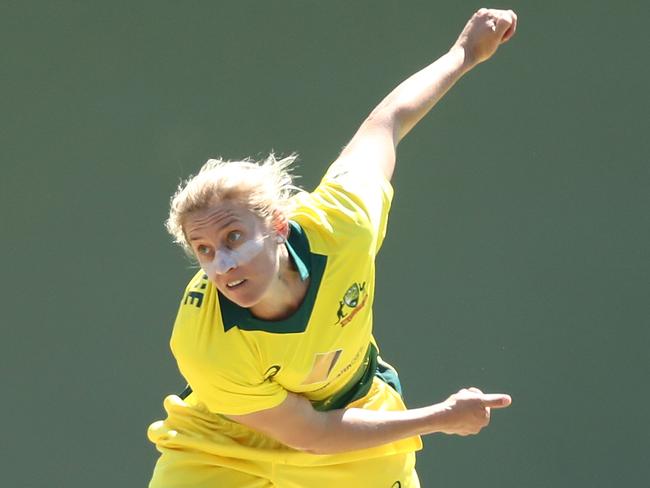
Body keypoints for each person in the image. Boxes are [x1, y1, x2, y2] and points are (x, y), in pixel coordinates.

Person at [148, 8, 518, 488]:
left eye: (233, 237)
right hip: (223, 443)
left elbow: (387, 122)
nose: (222, 262)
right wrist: (440, 416)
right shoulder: (203, 342)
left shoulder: (342, 222)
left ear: (279, 224)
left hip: (352, 419)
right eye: (204, 250)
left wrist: (464, 53)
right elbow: (310, 434)